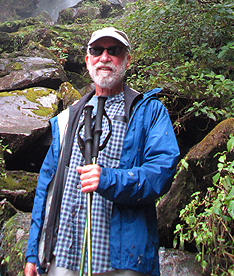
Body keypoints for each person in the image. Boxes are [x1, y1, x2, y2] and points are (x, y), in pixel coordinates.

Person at [24, 26, 180, 276]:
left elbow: (160, 173)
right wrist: (34, 252)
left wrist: (107, 179)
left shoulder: (149, 112)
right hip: (62, 256)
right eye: (97, 50)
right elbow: (46, 187)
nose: (104, 57)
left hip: (121, 261)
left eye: (114, 50)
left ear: (127, 60)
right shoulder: (67, 118)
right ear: (88, 60)